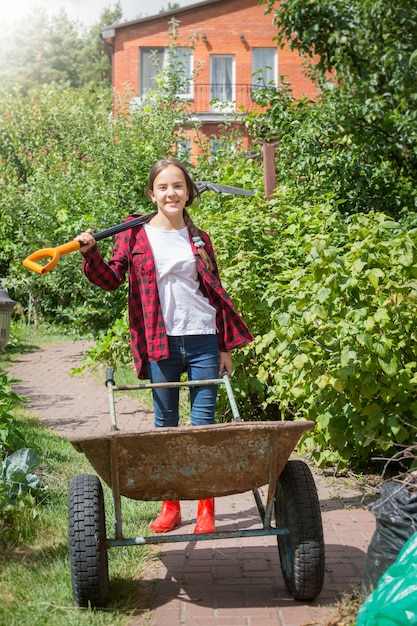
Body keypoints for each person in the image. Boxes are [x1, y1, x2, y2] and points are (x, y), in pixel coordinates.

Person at [75, 157, 253, 534]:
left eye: (178, 186)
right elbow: (110, 280)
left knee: (203, 428)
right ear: (152, 193)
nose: (171, 193)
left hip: (204, 337)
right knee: (165, 427)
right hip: (158, 340)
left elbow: (214, 293)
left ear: (188, 193)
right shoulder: (134, 234)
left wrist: (224, 347)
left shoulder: (200, 238)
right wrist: (90, 254)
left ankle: (206, 508)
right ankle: (170, 507)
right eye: (163, 187)